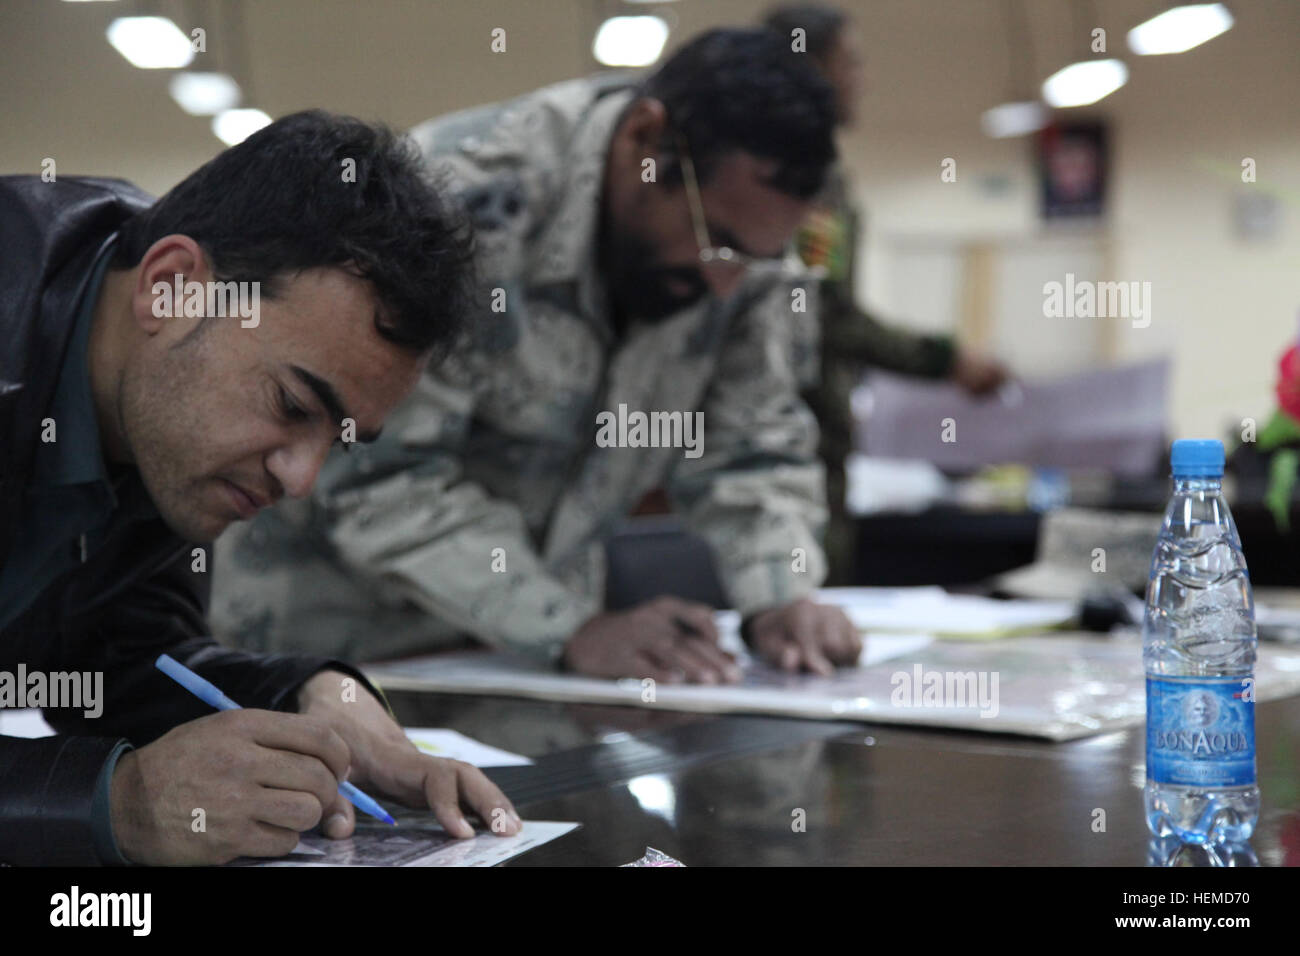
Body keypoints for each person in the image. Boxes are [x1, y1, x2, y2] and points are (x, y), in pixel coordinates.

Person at [212, 29, 862, 684]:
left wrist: (779, 595)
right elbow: (375, 477)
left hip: (535, 664)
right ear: (644, 139)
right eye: (716, 240)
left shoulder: (749, 258)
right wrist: (566, 626)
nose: (726, 283)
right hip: (335, 647)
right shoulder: (457, 203)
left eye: (752, 258)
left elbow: (752, 447)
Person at [0, 110, 521, 866]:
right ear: (173, 288)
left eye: (337, 440)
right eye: (291, 407)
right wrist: (118, 801)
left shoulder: (156, 409)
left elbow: (128, 655)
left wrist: (309, 700)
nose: (300, 479)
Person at [762, 4, 1010, 583]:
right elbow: (820, 313)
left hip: (801, 427)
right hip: (792, 430)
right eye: (850, 62)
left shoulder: (797, 167)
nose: (862, 79)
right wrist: (947, 359)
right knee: (801, 602)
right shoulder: (801, 175)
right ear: (812, 69)